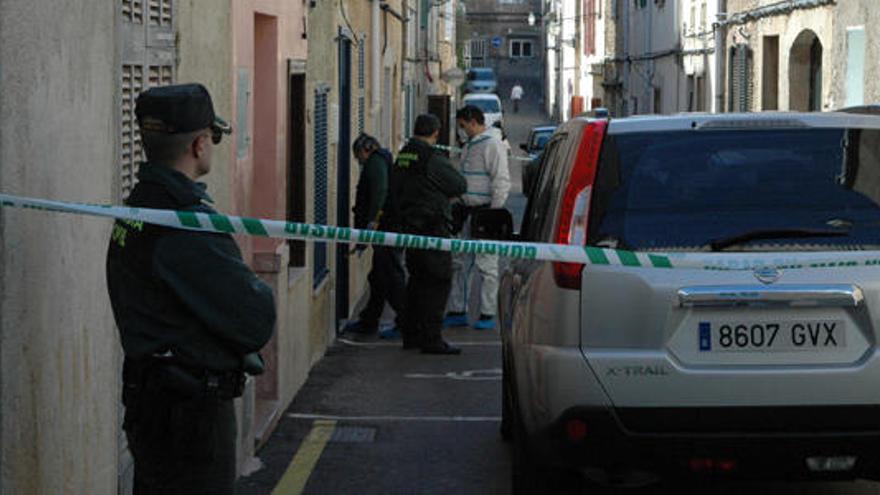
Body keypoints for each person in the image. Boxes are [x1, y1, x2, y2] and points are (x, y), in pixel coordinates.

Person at [106, 83, 276, 494]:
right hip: (189, 415)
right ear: (200, 144)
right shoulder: (185, 224)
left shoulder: (141, 205)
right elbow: (255, 320)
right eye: (213, 138)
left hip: (154, 402)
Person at [390, 114, 467, 354]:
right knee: (438, 281)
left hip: (409, 227)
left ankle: (411, 334)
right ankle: (432, 338)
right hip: (432, 228)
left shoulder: (404, 154)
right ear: (435, 133)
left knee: (416, 282)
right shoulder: (431, 157)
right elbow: (459, 185)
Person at [445, 105, 510, 331]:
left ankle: (487, 313)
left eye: (462, 126)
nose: (460, 131)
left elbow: (501, 180)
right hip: (467, 212)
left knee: (487, 266)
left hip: (484, 214)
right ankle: (457, 310)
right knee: (461, 263)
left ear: (473, 122)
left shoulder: (492, 145)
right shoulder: (471, 145)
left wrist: (493, 213)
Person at [343, 133, 405, 339]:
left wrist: (373, 221)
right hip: (386, 228)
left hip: (386, 228)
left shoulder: (376, 163)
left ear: (366, 150)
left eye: (358, 155)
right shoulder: (381, 160)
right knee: (378, 278)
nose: (358, 160)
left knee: (390, 277)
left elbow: (380, 190)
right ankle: (369, 320)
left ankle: (407, 322)